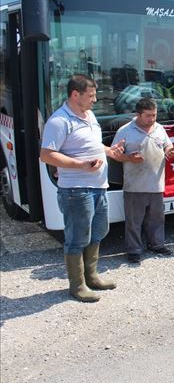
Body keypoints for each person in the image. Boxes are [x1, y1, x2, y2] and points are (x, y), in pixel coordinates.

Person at [40, 74, 124, 302]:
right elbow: (46, 155)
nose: (95, 99)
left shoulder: (89, 115)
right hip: (76, 190)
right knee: (77, 237)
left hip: (98, 187)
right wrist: (80, 165)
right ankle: (77, 286)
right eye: (91, 95)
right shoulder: (59, 121)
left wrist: (109, 151)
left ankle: (92, 276)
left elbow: (93, 145)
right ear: (75, 94)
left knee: (99, 231)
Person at [112, 98, 174, 263]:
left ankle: (157, 244)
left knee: (157, 218)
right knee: (134, 220)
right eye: (148, 116)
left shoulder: (159, 128)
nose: (152, 119)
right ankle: (134, 250)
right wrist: (128, 157)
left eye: (154, 115)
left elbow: (168, 145)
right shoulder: (124, 131)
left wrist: (170, 151)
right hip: (135, 184)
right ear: (137, 115)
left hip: (156, 183)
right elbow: (114, 155)